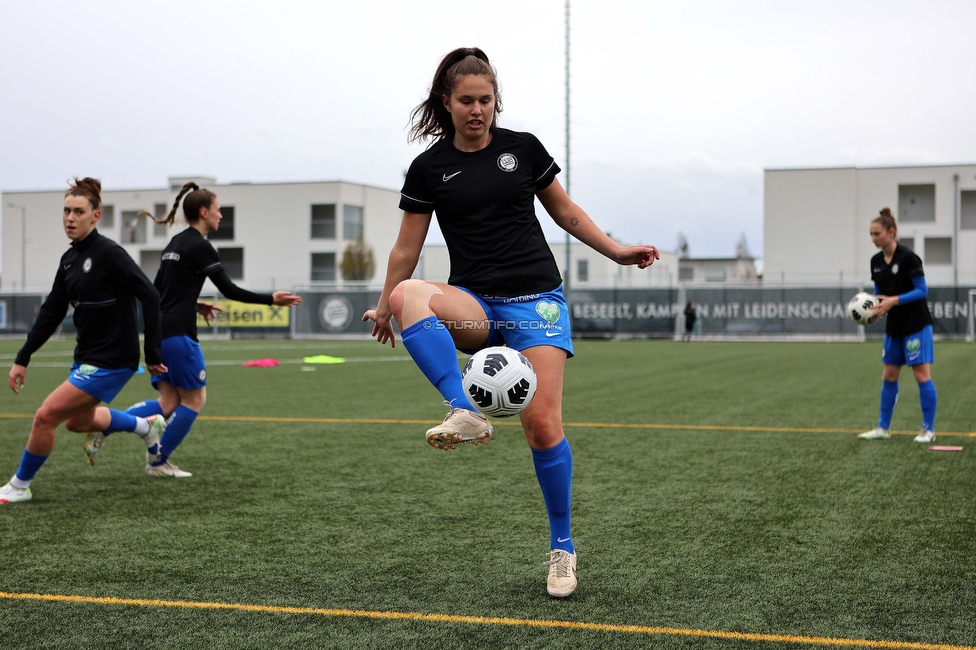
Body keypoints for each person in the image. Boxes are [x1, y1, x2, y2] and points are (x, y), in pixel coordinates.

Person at [362, 47, 659, 598]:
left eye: (486, 100)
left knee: (541, 426)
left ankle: (563, 549)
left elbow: (565, 212)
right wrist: (384, 306)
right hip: (476, 302)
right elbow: (407, 248)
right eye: (467, 101)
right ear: (446, 103)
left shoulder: (522, 150)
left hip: (535, 302)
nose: (478, 110)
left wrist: (615, 251)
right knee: (410, 295)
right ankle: (464, 411)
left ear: (496, 101)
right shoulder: (429, 167)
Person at [82, 182, 301, 477]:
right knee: (195, 400)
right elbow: (229, 289)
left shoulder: (175, 243)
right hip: (179, 334)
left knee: (169, 402)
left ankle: (105, 427)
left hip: (160, 331)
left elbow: (157, 290)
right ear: (203, 212)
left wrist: (194, 303)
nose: (221, 216)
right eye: (218, 210)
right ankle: (158, 462)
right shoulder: (200, 245)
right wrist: (270, 299)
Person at [1, 178, 167, 505]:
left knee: (45, 416)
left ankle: (20, 485)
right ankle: (146, 426)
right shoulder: (68, 261)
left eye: (79, 211)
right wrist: (23, 357)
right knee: (78, 422)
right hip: (87, 357)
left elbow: (149, 295)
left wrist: (151, 353)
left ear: (96, 216)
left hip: (113, 359)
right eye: (66, 211)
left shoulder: (109, 253)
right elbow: (50, 312)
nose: (70, 218)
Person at [858, 207, 937, 443]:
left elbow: (922, 291)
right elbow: (879, 292)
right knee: (889, 375)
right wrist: (874, 306)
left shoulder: (908, 258)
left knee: (921, 375)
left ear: (891, 232)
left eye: (877, 234)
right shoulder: (876, 261)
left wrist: (894, 300)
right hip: (894, 327)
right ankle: (882, 428)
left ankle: (928, 430)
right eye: (870, 234)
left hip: (916, 325)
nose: (873, 239)